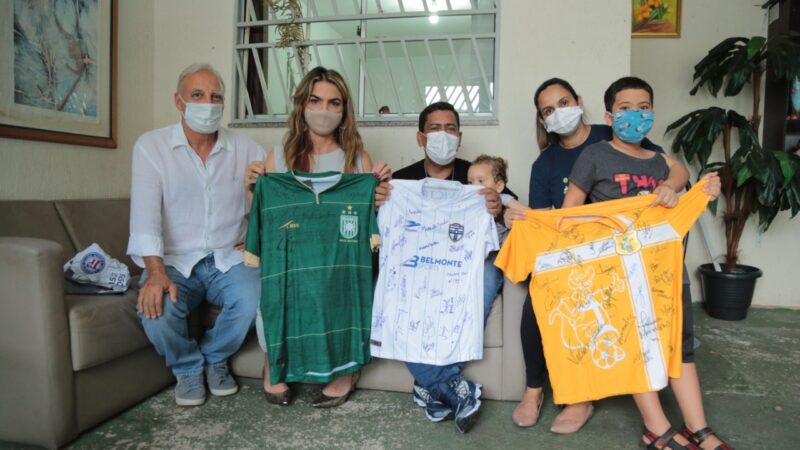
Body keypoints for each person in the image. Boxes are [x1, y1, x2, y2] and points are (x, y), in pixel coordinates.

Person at [506, 77, 692, 433]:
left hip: (624, 253)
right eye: (548, 110)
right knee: (538, 296)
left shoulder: (614, 136)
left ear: (579, 101)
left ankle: (580, 398)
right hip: (577, 251)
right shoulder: (544, 165)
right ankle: (534, 390)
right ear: (542, 121)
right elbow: (550, 220)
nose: (558, 113)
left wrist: (671, 186)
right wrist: (520, 215)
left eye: (564, 102)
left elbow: (672, 166)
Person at [562, 76, 729, 450]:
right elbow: (569, 214)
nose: (634, 116)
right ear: (609, 116)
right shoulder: (595, 155)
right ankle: (656, 427)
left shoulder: (658, 158)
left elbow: (681, 171)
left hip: (669, 272)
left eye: (643, 108)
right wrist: (610, 220)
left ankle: (699, 428)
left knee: (679, 345)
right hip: (622, 275)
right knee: (636, 345)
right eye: (625, 109)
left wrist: (675, 185)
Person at [243, 66, 390, 408]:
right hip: (292, 256)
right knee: (274, 287)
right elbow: (263, 217)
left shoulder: (357, 160)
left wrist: (379, 194)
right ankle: (274, 361)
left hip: (339, 258)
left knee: (338, 285)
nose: (324, 110)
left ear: (344, 111)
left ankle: (344, 369)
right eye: (316, 100)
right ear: (302, 104)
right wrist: (251, 187)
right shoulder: (276, 158)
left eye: (334, 103)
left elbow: (369, 217)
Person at [127, 63, 265, 406]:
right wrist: (155, 272)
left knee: (258, 295)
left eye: (216, 96)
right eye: (198, 95)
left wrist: (254, 236)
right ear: (179, 101)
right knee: (154, 309)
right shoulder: (151, 146)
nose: (208, 103)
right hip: (172, 260)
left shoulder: (247, 148)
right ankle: (188, 368)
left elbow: (268, 202)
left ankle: (214, 357)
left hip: (226, 256)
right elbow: (144, 216)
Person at [374, 101, 504, 433]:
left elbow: (511, 210)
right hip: (416, 267)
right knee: (390, 283)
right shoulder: (400, 183)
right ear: (420, 137)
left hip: (461, 268)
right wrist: (374, 203)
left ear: (459, 136)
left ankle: (429, 385)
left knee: (490, 272)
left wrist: (497, 205)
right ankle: (447, 383)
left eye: (450, 129)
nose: (442, 135)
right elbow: (377, 234)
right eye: (434, 129)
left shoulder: (476, 175)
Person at [467, 154, 528, 307]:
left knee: (487, 279)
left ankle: (477, 317)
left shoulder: (504, 199)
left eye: (481, 181)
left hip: (494, 253)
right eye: (470, 182)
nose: (475, 186)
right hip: (471, 252)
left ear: (499, 186)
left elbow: (528, 213)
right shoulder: (467, 203)